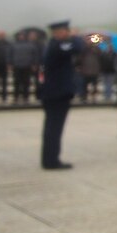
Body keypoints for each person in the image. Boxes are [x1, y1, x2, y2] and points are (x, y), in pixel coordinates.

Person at [38, 20, 83, 170]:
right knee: (54, 128)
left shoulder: (52, 44)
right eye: (66, 31)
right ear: (60, 32)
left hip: (53, 92)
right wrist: (76, 36)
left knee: (52, 128)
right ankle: (51, 161)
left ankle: (49, 159)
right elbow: (79, 47)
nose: (68, 33)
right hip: (57, 93)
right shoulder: (57, 45)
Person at [10, 30, 41, 103]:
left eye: (22, 35)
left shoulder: (30, 45)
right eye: (20, 35)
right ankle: (16, 97)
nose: (21, 37)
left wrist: (34, 64)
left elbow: (35, 55)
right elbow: (10, 55)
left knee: (26, 82)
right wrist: (9, 64)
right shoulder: (13, 45)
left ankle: (26, 97)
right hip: (17, 66)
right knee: (16, 82)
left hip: (27, 66)